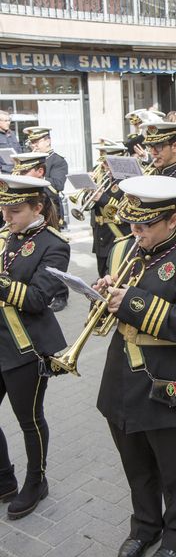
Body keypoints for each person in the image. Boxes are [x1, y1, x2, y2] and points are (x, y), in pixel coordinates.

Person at [95, 176, 176, 557]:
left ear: (172, 219)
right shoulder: (123, 249)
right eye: (132, 222)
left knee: (175, 469)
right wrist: (101, 294)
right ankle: (145, 526)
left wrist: (128, 299)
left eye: (145, 224)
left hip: (170, 381)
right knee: (136, 465)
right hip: (122, 376)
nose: (136, 231)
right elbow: (109, 313)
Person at [0, 174, 70, 518]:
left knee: (28, 419)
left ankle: (36, 480)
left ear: (37, 207)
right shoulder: (5, 237)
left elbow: (40, 298)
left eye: (14, 210)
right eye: (3, 209)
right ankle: (4, 478)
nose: (6, 217)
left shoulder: (54, 244)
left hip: (26, 347)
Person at [23, 127, 69, 312]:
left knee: (53, 255)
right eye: (32, 142)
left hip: (50, 212)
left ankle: (61, 293)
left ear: (47, 140)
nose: (33, 146)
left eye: (37, 142)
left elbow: (58, 185)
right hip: (31, 211)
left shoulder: (57, 160)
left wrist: (36, 176)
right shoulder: (30, 159)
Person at [89, 144, 133, 277]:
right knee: (102, 276)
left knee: (116, 278)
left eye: (107, 163)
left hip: (117, 237)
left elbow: (125, 211)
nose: (103, 166)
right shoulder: (103, 179)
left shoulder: (129, 181)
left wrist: (102, 197)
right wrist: (88, 189)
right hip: (100, 238)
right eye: (103, 162)